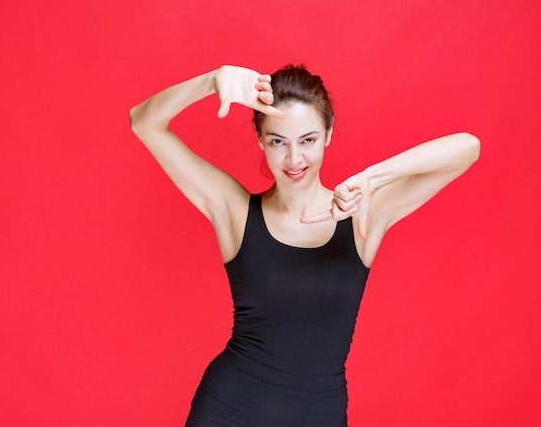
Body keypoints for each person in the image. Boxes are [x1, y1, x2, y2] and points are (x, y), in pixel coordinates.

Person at [129, 64, 480, 427]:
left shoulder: (364, 213)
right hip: (227, 412)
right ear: (260, 139)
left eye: (308, 140)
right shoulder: (234, 210)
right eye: (278, 141)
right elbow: (143, 122)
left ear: (328, 134)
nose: (294, 159)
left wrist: (372, 179)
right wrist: (210, 81)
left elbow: (468, 148)